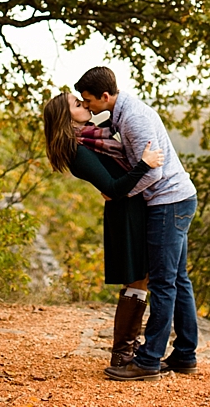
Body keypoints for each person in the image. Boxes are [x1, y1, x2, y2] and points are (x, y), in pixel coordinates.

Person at [74, 66, 200, 382]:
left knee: (162, 283)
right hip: (175, 199)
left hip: (168, 202)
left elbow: (153, 171)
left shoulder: (133, 119)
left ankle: (148, 360)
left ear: (105, 96)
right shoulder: (120, 115)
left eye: (88, 100)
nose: (86, 106)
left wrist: (120, 192)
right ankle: (185, 354)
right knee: (178, 279)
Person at [42, 92, 163, 370]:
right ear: (65, 117)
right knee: (136, 278)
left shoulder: (90, 138)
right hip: (125, 213)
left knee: (140, 278)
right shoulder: (76, 149)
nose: (84, 105)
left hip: (132, 208)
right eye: (77, 104)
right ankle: (122, 353)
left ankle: (127, 349)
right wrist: (145, 164)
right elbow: (112, 188)